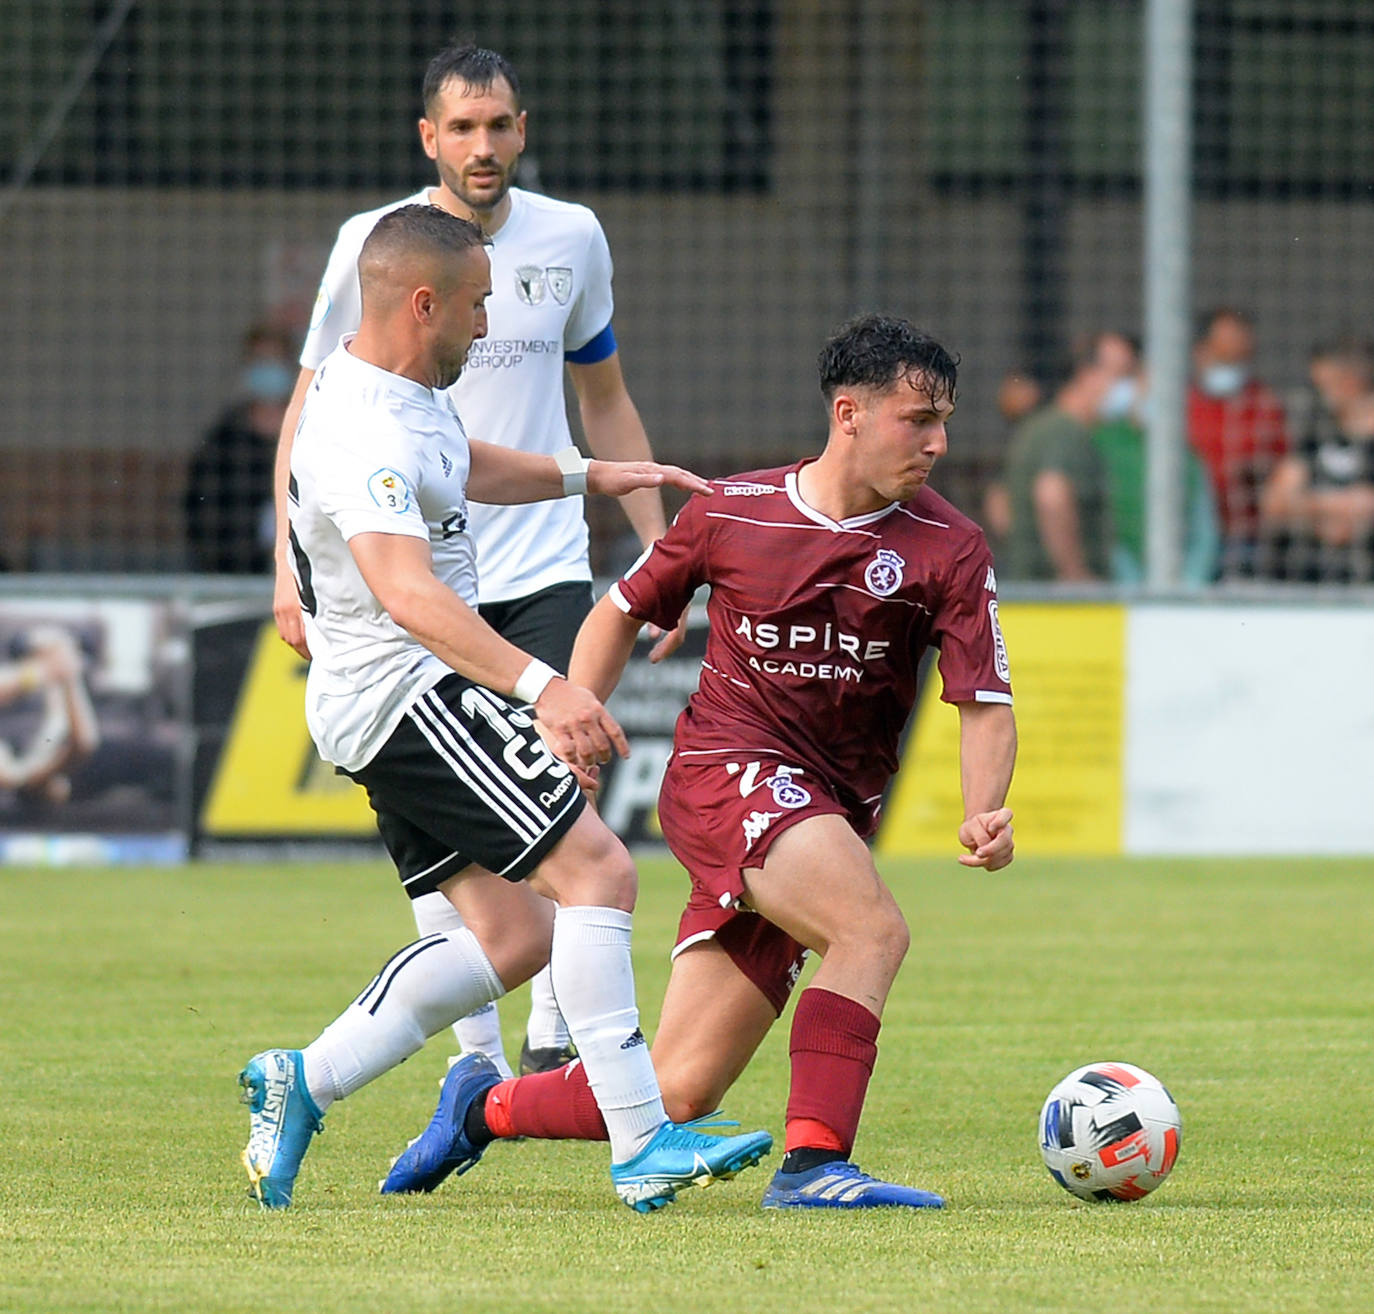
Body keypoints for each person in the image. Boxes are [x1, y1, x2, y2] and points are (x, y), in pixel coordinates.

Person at [380, 314, 1017, 1212]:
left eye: (945, 420)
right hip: (729, 770)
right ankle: (814, 1167)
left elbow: (984, 699)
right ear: (848, 413)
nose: (938, 443)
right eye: (918, 420)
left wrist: (984, 807)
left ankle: (480, 1110)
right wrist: (572, 728)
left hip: (828, 810)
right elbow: (618, 611)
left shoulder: (948, 545)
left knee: (677, 1088)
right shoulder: (733, 511)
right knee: (871, 931)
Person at [238, 205, 771, 1212]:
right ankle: (644, 1137)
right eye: (478, 306)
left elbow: (462, 462)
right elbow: (409, 593)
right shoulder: (357, 429)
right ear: (422, 303)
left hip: (377, 702)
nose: (489, 327)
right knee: (600, 872)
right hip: (408, 692)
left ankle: (301, 1081)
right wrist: (545, 684)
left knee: (513, 939)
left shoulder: (398, 387)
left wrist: (588, 473)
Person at [270, 43, 681, 1079]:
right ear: (430, 139)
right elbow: (312, 403)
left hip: (538, 561)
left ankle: (557, 1051)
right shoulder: (381, 245)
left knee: (564, 802)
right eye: (462, 127)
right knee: (481, 838)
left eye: (499, 125)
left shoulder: (573, 237)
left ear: (523, 129)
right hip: (401, 578)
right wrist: (290, 566)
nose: (483, 145)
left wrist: (653, 538)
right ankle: (479, 1065)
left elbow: (601, 395)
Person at [1000, 332, 1134, 581]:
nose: (1128, 387)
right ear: (1087, 374)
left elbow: (1001, 507)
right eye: (1121, 374)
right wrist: (1075, 575)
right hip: (1056, 601)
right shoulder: (1065, 432)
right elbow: (1051, 495)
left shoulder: (1044, 427)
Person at [1090, 365, 1220, 586]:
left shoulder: (1188, 457)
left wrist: (1191, 582)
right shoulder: (1101, 443)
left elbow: (1205, 531)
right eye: (1148, 388)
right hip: (1114, 584)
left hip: (1178, 586)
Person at [184, 323, 298, 574]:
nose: (269, 369)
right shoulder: (223, 442)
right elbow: (202, 514)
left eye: (275, 360)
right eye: (261, 360)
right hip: (236, 572)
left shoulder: (309, 433)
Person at [1261, 337, 1374, 584]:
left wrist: (1307, 505)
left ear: (1353, 380)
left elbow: (1368, 507)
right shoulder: (1317, 434)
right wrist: (1335, 509)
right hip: (1311, 576)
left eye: (1327, 384)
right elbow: (1274, 504)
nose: (1321, 394)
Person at [1186, 308, 1289, 578]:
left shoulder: (1263, 404)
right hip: (1188, 534)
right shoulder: (1180, 407)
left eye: (1241, 357)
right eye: (1224, 357)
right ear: (1201, 351)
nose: (1233, 366)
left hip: (1245, 537)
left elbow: (1282, 465)